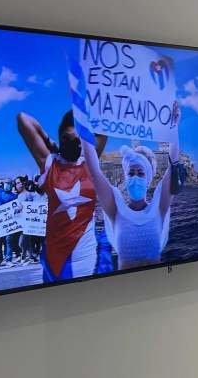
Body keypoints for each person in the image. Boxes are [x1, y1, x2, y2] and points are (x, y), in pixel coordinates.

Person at [79, 102, 180, 270]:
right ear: (125, 177)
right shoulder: (115, 208)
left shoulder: (158, 207)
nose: (135, 178)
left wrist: (174, 127)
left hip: (159, 281)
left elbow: (173, 166)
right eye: (131, 173)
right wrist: (83, 122)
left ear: (149, 179)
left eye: (140, 173)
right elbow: (94, 171)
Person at [17, 110, 111, 282]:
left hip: (86, 256)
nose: (71, 145)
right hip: (56, 257)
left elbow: (104, 124)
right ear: (60, 138)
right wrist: (47, 140)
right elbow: (23, 119)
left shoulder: (89, 161)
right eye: (66, 139)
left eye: (77, 140)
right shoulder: (49, 164)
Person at [15, 176, 41, 264]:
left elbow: (33, 206)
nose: (17, 185)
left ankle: (24, 254)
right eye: (16, 183)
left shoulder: (30, 194)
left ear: (23, 183)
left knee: (22, 242)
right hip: (22, 222)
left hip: (29, 222)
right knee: (27, 240)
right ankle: (31, 256)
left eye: (18, 183)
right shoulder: (19, 196)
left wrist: (25, 207)